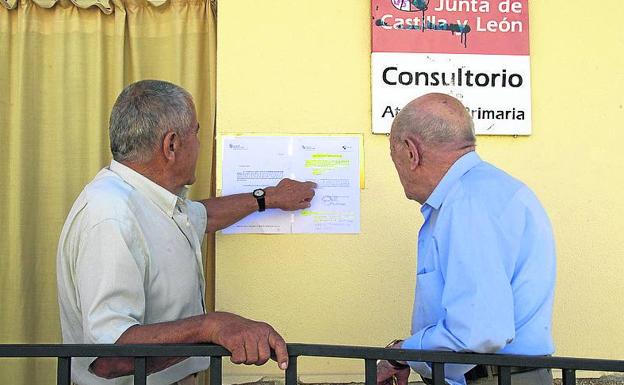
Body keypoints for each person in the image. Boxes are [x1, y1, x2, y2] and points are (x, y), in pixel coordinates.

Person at [57, 80, 317, 385]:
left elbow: (204, 216)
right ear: (171, 145)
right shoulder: (111, 216)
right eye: (195, 133)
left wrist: (268, 198)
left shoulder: (149, 200)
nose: (199, 144)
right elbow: (109, 357)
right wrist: (211, 327)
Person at [376, 93, 556, 385]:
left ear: (411, 152)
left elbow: (477, 330)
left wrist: (402, 352)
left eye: (393, 154)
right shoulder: (490, 190)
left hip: (493, 378)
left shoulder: (466, 203)